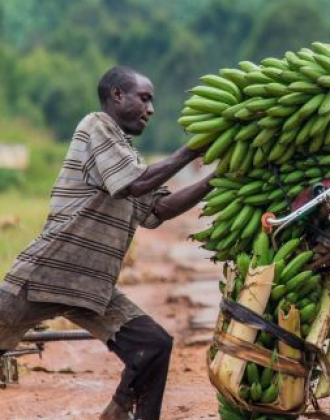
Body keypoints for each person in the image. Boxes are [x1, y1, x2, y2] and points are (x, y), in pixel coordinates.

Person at [0, 66, 214, 420]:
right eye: (144, 98)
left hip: (91, 288)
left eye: (152, 101)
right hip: (45, 275)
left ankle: (117, 411)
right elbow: (136, 185)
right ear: (117, 96)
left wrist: (216, 180)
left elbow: (158, 208)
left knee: (155, 346)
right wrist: (191, 151)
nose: (151, 109)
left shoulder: (128, 156)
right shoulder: (96, 126)